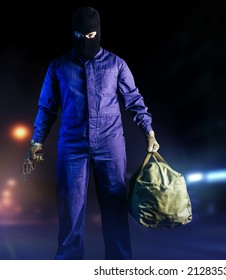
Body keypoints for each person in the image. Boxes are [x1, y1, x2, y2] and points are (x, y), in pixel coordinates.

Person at [22, 6, 160, 260]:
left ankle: (120, 267)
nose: (87, 40)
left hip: (110, 143)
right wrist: (36, 141)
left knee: (115, 207)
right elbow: (47, 107)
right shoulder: (58, 67)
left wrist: (148, 131)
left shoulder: (116, 64)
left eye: (92, 35)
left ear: (99, 33)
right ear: (73, 34)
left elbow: (134, 100)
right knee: (70, 210)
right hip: (72, 145)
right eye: (81, 35)